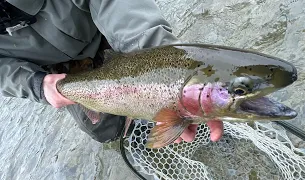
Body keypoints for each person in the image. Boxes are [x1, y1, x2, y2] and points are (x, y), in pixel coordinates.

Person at [0, 0, 223, 145]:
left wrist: (160, 58)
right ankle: (139, 133)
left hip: (104, 30)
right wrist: (37, 85)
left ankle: (198, 130)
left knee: (188, 93)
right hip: (55, 69)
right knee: (102, 129)